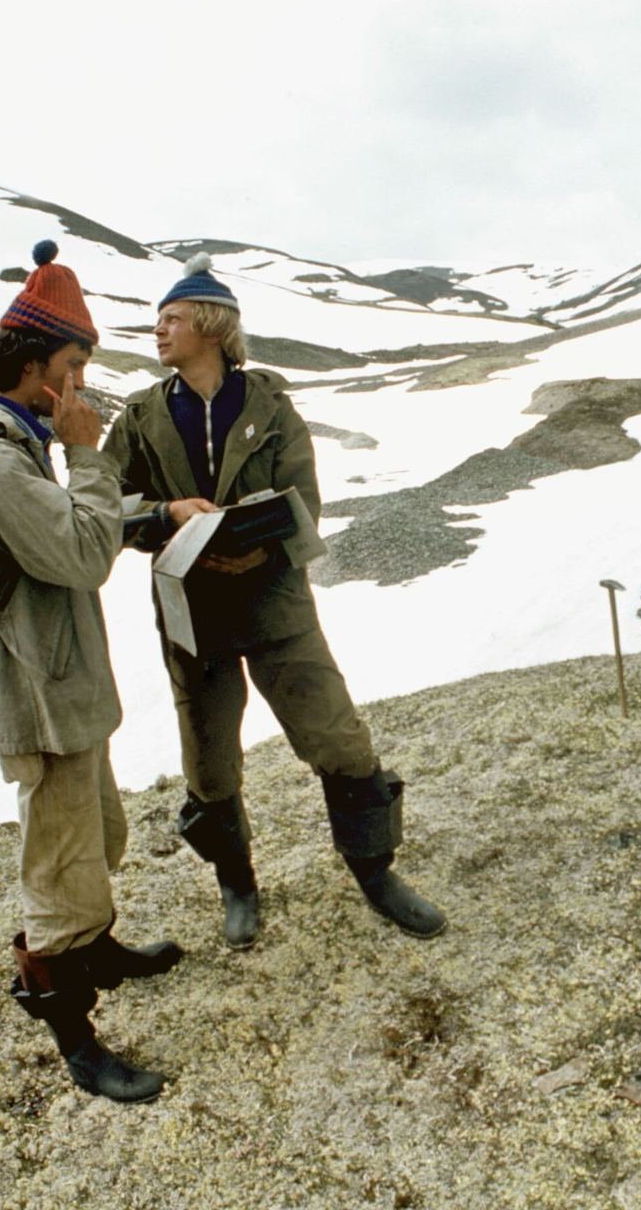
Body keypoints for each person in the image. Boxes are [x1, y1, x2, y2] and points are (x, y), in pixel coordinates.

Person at [103, 253, 446, 948]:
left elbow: (305, 500)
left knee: (340, 740)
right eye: (158, 320)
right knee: (209, 764)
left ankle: (376, 875)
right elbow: (104, 502)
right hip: (192, 614)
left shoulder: (272, 407)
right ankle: (238, 886)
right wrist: (165, 512)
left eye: (170, 319)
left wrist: (265, 548)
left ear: (209, 325)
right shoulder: (140, 415)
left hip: (276, 606)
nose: (158, 332)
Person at [0, 241, 181, 1104]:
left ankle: (97, 945)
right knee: (58, 866)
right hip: (38, 690)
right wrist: (91, 457)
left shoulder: (16, 444)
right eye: (74, 366)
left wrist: (149, 511)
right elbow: (76, 551)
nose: (82, 386)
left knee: (93, 834)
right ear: (35, 369)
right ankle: (75, 1033)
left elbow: (66, 527)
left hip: (61, 682)